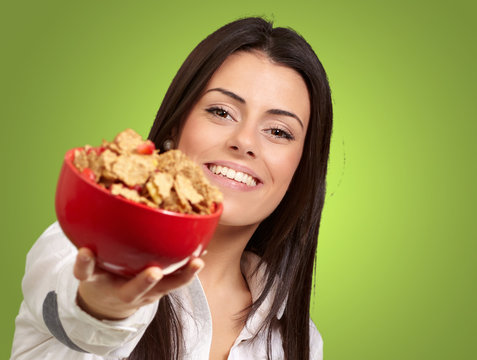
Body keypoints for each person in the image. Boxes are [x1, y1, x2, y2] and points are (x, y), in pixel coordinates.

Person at [11, 17, 332, 360]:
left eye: (279, 132)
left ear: (300, 169)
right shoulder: (82, 245)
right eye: (221, 111)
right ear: (175, 128)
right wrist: (104, 306)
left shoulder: (299, 342)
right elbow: (67, 305)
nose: (244, 142)